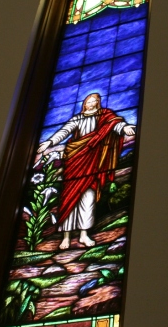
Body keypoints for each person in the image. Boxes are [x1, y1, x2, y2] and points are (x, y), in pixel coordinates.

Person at [37, 93, 135, 249]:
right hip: (75, 161)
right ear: (84, 103)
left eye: (95, 101)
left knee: (88, 198)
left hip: (92, 163)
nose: (92, 103)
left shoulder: (105, 116)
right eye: (89, 101)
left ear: (98, 103)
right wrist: (49, 142)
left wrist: (126, 128)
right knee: (69, 197)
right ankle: (66, 237)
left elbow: (115, 125)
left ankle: (83, 235)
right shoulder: (77, 118)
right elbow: (64, 132)